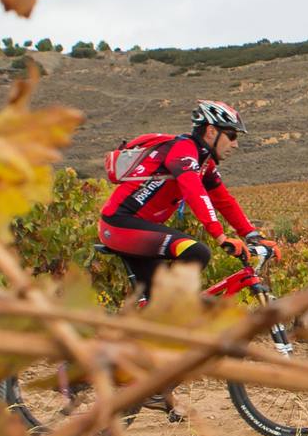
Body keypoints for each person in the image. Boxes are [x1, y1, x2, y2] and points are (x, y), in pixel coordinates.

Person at [97, 99, 280, 298]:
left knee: (157, 304)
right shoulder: (183, 150)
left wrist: (253, 236)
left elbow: (224, 201)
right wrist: (221, 237)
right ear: (211, 131)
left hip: (138, 229)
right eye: (232, 135)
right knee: (197, 253)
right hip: (119, 225)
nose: (235, 144)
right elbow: (194, 192)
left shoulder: (204, 163)